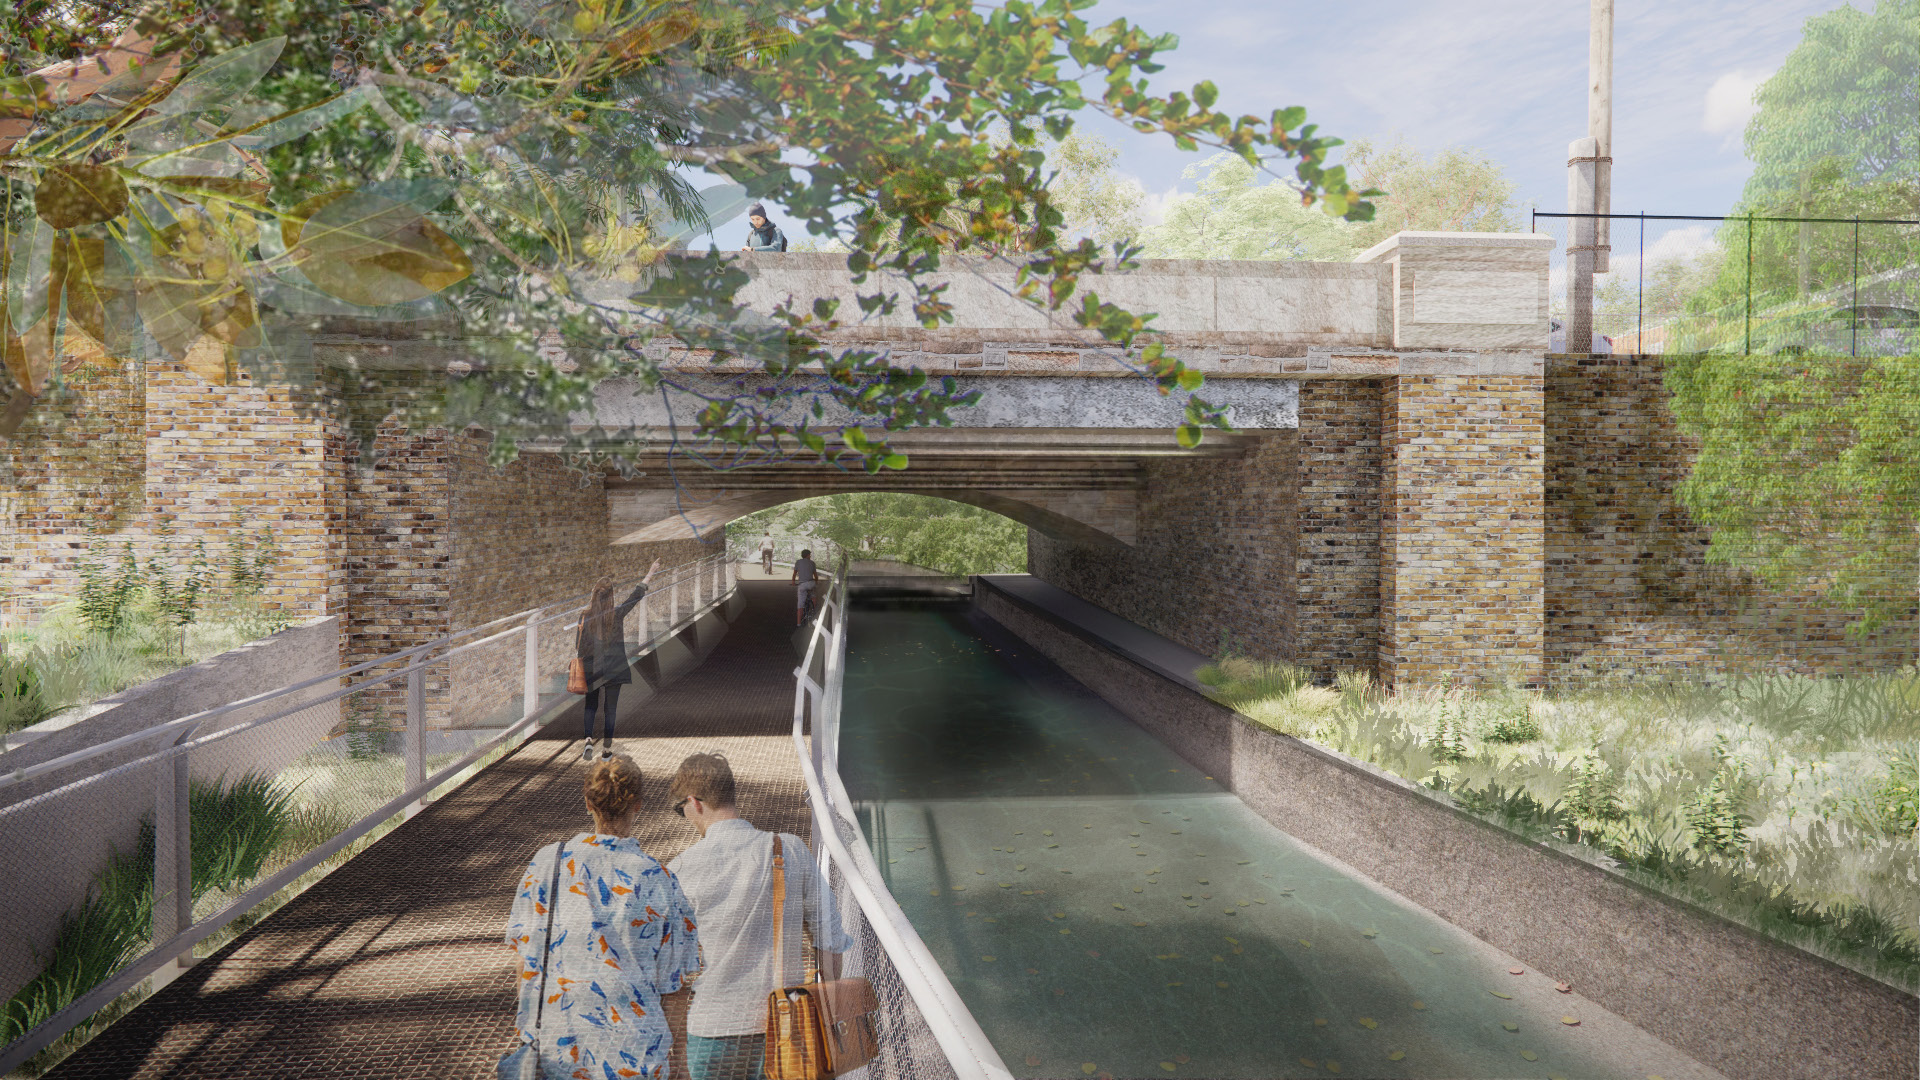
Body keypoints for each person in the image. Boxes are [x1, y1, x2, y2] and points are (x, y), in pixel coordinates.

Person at [504, 755, 701, 1080]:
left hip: (558, 1050)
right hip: (636, 1055)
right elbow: (674, 988)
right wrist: (681, 1061)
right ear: (637, 805)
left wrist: (528, 1028)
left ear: (587, 803)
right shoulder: (659, 879)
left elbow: (525, 958)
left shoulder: (546, 864)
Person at [665, 753, 851, 1080]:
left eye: (681, 810)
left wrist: (677, 1052)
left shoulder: (679, 870)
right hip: (787, 1027)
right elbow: (830, 938)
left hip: (712, 1031)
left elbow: (671, 972)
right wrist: (830, 1017)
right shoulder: (790, 850)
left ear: (694, 803)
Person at [576, 560, 662, 762]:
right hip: (614, 669)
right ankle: (606, 749)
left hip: (592, 667)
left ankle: (588, 740)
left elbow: (578, 646)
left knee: (590, 705)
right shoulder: (616, 615)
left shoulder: (585, 616)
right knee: (610, 709)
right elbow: (636, 596)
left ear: (594, 594)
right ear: (611, 596)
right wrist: (650, 571)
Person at [790, 548, 817, 627]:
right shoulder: (812, 563)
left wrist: (793, 582)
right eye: (810, 555)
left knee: (800, 605)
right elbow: (815, 575)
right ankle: (814, 611)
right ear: (808, 555)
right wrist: (817, 582)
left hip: (802, 585)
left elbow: (794, 574)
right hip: (811, 583)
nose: (810, 556)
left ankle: (798, 623)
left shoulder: (798, 562)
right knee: (814, 596)